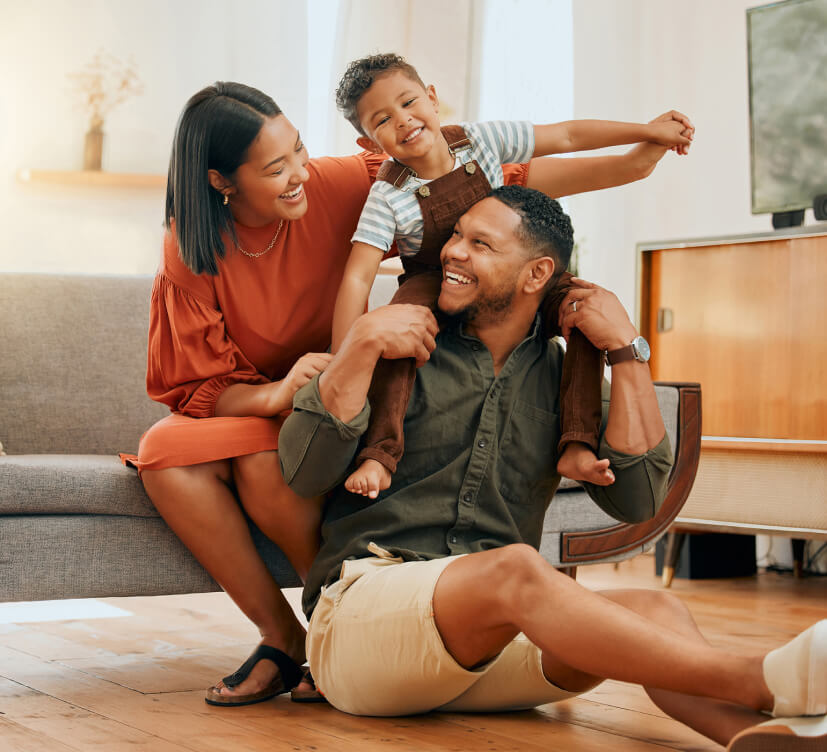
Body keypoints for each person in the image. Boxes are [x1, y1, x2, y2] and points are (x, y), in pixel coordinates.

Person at [122, 80, 692, 708]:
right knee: (176, 452)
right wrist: (331, 366)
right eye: (276, 168)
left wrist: (640, 158)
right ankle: (294, 633)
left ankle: (778, 705)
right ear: (221, 181)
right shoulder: (195, 250)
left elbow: (486, 174)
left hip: (374, 406)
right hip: (312, 396)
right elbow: (202, 386)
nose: (300, 175)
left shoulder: (348, 183)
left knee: (655, 611)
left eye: (300, 152)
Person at [279, 186, 827, 751]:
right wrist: (361, 342)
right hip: (363, 626)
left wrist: (626, 350)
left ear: (536, 273)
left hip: (487, 649)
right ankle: (761, 679)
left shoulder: (569, 382)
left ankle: (762, 736)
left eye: (480, 244)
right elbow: (303, 473)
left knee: (658, 608)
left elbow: (639, 502)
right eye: (457, 236)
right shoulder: (396, 344)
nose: (453, 252)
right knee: (516, 568)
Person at [330, 53, 694, 501]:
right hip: (433, 276)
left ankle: (577, 443)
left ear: (432, 97)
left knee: (586, 310)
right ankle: (380, 453)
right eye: (383, 120)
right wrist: (343, 356)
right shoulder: (387, 195)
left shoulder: (480, 140)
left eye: (408, 102)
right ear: (369, 143)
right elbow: (356, 279)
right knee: (398, 334)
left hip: (508, 264)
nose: (404, 121)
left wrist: (647, 131)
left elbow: (566, 134)